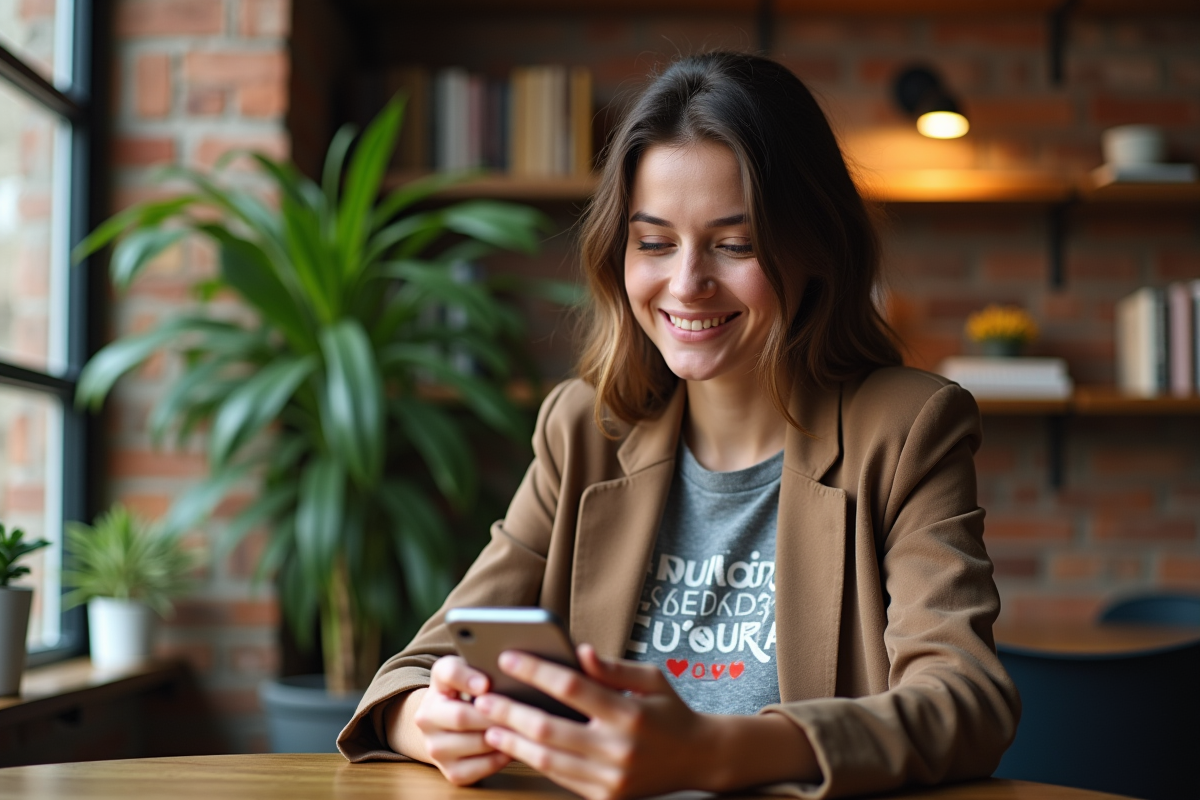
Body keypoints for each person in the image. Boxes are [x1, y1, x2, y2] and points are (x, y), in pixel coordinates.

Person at [337, 52, 1020, 800]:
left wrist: (711, 752)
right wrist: (427, 720)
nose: (687, 283)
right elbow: (417, 666)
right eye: (654, 242)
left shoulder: (907, 430)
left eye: (736, 244)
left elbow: (966, 702)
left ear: (815, 246)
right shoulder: (584, 430)